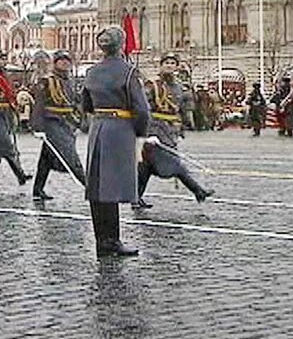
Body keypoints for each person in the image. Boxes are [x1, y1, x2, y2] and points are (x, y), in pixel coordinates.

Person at [81, 26, 150, 258]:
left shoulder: (91, 72)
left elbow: (86, 105)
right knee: (110, 186)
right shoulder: (129, 72)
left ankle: (102, 239)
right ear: (120, 45)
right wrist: (141, 133)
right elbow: (141, 108)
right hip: (120, 129)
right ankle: (112, 241)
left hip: (97, 127)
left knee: (97, 185)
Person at [134, 53, 214, 209]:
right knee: (175, 165)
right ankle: (198, 191)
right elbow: (144, 108)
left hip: (170, 131)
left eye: (173, 63)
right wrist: (147, 133)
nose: (169, 65)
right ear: (161, 66)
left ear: (177, 67)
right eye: (166, 62)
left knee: (146, 168)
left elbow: (182, 111)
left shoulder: (179, 87)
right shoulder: (152, 85)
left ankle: (136, 198)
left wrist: (181, 130)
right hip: (155, 130)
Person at [30, 49, 85, 200]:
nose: (65, 63)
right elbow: (39, 105)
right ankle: (90, 187)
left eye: (67, 61)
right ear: (55, 63)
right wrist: (37, 127)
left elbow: (74, 103)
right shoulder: (47, 81)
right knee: (70, 157)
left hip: (66, 123)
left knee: (46, 159)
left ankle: (37, 189)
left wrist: (77, 122)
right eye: (62, 61)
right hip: (52, 122)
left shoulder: (70, 81)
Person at [0, 49, 30, 185]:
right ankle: (20, 174)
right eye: (0, 60)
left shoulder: (6, 77)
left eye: (4, 59)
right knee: (6, 145)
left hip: (4, 114)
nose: (3, 62)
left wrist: (14, 107)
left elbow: (9, 95)